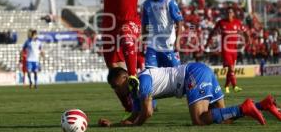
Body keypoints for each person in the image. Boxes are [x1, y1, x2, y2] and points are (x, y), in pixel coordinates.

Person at [42, 0, 188, 112]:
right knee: (114, 74)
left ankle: (133, 76)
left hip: (129, 21)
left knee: (127, 38)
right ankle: (130, 106)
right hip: (109, 25)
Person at [99, 63, 281, 127]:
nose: (116, 90)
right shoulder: (135, 89)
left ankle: (245, 107)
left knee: (200, 120)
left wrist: (135, 125)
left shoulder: (142, 81)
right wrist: (113, 124)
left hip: (193, 75)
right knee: (224, 119)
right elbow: (135, 116)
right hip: (201, 71)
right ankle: (263, 105)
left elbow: (147, 113)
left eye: (116, 86)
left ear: (124, 77)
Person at [142, 0, 183, 68]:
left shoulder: (170, 1)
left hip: (169, 46)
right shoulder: (146, 4)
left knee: (176, 75)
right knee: (150, 74)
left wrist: (177, 42)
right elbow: (145, 25)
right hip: (153, 46)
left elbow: (179, 22)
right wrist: (143, 42)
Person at [205, 7, 248, 94]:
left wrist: (246, 42)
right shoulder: (221, 23)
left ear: (233, 14)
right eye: (227, 12)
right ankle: (235, 86)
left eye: (230, 12)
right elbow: (213, 32)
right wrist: (208, 43)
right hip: (225, 50)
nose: (229, 14)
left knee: (231, 70)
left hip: (234, 50)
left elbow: (246, 32)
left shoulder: (238, 23)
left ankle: (226, 86)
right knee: (231, 69)